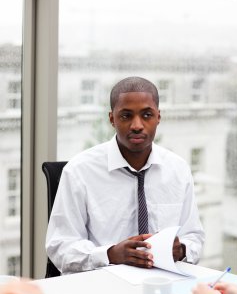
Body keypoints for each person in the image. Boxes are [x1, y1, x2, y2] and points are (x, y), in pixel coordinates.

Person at [46, 76, 204, 274]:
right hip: (102, 284)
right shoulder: (79, 171)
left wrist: (181, 250)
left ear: (158, 117)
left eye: (147, 115)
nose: (137, 125)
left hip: (163, 282)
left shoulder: (178, 169)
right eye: (126, 116)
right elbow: (61, 246)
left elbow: (194, 237)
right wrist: (111, 254)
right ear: (112, 118)